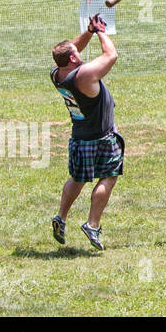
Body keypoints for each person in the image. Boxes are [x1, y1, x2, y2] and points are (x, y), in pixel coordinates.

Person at [50, 13, 123, 251]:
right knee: (110, 176)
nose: (79, 51)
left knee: (77, 178)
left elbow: (72, 50)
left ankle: (61, 218)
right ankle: (92, 225)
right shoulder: (85, 76)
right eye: (76, 52)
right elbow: (111, 55)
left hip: (79, 138)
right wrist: (102, 31)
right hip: (101, 136)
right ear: (73, 58)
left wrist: (89, 31)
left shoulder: (57, 74)